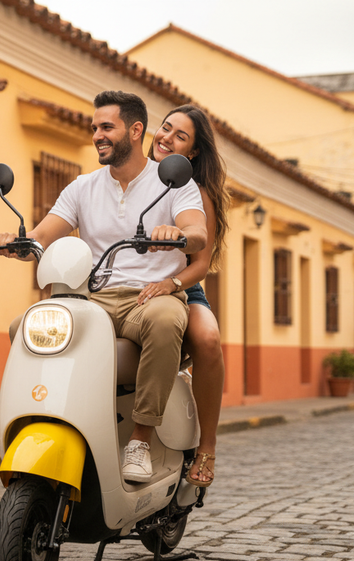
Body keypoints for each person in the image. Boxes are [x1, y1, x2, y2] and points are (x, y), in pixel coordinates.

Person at [0, 90, 207, 483]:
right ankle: (52, 419)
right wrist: (16, 243)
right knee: (24, 328)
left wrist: (177, 234)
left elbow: (197, 233)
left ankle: (140, 439)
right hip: (93, 299)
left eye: (107, 127)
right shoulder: (82, 187)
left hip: (150, 296)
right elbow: (41, 237)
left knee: (165, 322)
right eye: (94, 128)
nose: (97, 136)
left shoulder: (173, 184)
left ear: (135, 131)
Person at [138, 104, 229, 487]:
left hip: (182, 286)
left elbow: (201, 264)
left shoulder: (197, 193)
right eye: (165, 128)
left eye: (180, 136)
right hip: (128, 286)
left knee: (207, 339)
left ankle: (207, 444)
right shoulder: (129, 178)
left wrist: (171, 284)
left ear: (193, 152)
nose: (166, 138)